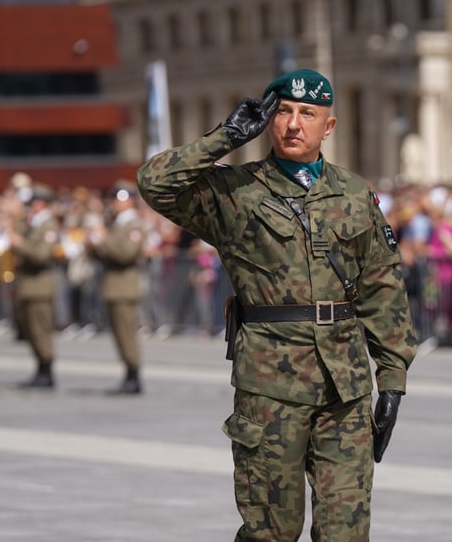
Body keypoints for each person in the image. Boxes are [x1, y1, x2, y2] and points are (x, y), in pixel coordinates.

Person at [137, 68, 417, 541]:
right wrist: (224, 137)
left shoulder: (353, 194)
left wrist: (392, 377)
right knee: (270, 532)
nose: (293, 124)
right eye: (283, 112)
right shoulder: (235, 192)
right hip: (270, 390)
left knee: (347, 533)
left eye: (307, 114)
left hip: (344, 391)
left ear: (328, 127)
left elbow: (382, 286)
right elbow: (154, 183)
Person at [86, 180, 146, 394]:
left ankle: (133, 375)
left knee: (127, 333)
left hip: (124, 287)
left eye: (119, 199)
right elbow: (105, 254)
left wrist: (103, 240)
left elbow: (125, 254)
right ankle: (128, 373)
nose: (114, 203)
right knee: (119, 334)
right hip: (113, 286)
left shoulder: (133, 225)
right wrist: (93, 245)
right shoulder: (116, 224)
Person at [9, 183, 59, 388]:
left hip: (40, 287)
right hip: (28, 286)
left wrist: (21, 245)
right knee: (31, 331)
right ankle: (40, 368)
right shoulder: (33, 223)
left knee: (41, 331)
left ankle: (46, 370)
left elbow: (42, 255)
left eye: (33, 203)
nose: (31, 207)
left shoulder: (48, 225)